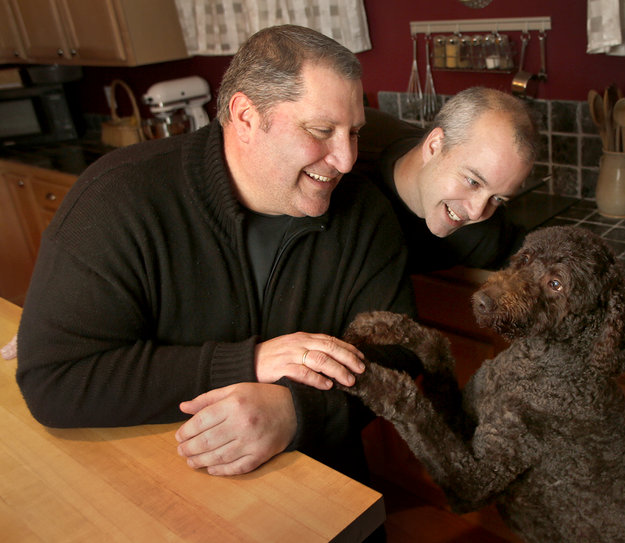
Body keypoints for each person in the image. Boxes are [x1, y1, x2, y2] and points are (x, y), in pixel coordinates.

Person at [16, 25, 418, 484]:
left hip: (325, 488)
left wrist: (297, 412)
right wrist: (247, 363)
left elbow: (399, 359)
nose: (346, 159)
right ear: (245, 116)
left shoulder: (365, 213)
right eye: (322, 130)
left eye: (354, 133)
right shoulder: (117, 198)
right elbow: (54, 379)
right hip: (167, 484)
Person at [352, 89, 625, 306]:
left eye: (498, 198)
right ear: (434, 146)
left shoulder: (480, 231)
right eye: (472, 180)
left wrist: (597, 282)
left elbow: (529, 254)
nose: (475, 211)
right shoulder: (343, 166)